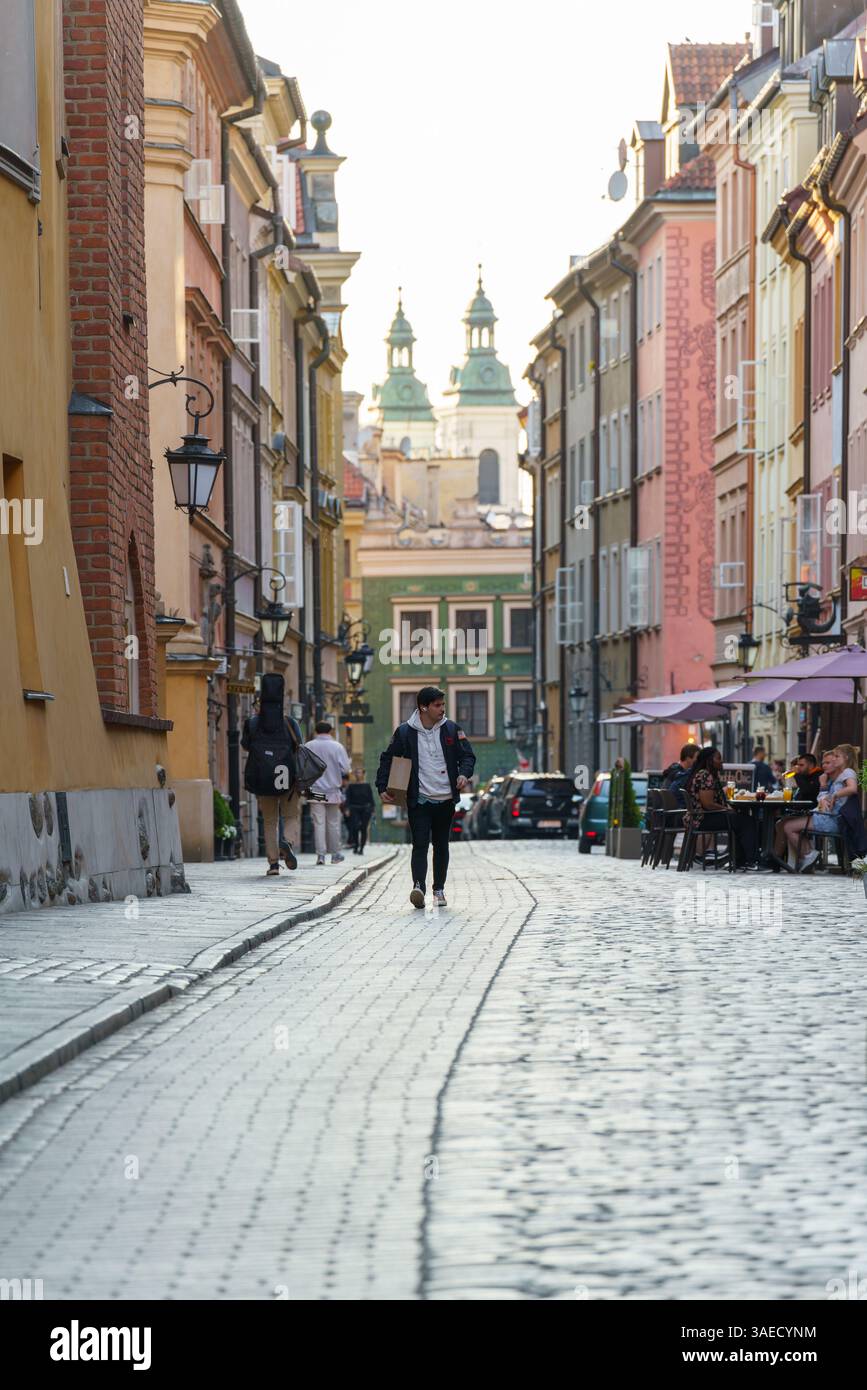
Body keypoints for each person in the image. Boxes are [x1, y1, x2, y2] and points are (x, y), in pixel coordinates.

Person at [376, 685, 475, 909]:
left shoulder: (451, 729)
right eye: (437, 705)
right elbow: (387, 758)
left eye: (442, 705)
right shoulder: (405, 732)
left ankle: (438, 890)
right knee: (419, 844)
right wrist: (382, 785)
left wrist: (463, 774)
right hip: (419, 799)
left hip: (446, 799)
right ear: (423, 707)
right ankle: (418, 886)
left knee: (441, 845)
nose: (442, 709)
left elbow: (468, 755)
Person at [240, 672, 303, 877]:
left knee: (269, 821)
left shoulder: (253, 723)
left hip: (263, 777)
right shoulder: (290, 723)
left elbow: (245, 746)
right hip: (289, 778)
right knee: (291, 815)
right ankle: (288, 842)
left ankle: (274, 864)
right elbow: (298, 745)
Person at [780, 745, 862, 872]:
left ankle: (808, 855)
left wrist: (834, 794)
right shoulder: (837, 777)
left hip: (831, 820)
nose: (833, 760)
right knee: (787, 823)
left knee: (788, 826)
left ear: (846, 758)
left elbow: (852, 788)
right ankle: (807, 855)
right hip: (829, 817)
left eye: (836, 756)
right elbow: (825, 799)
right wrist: (825, 792)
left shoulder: (847, 772)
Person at [683, 745, 758, 869]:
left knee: (740, 819)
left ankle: (739, 860)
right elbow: (708, 804)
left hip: (699, 817)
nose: (721, 761)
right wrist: (726, 809)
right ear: (709, 760)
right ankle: (750, 861)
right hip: (702, 819)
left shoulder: (704, 774)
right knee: (747, 822)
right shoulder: (705, 775)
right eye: (718, 758)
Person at [304, 721, 351, 865]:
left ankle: (321, 856)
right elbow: (345, 769)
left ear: (316, 731)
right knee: (333, 823)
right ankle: (335, 854)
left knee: (318, 823)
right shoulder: (337, 747)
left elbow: (302, 767)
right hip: (332, 791)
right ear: (330, 731)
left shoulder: (308, 746)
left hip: (315, 790)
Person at [344, 768, 375, 854]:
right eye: (357, 772)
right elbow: (348, 798)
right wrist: (347, 809)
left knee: (363, 828)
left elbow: (371, 798)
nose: (358, 774)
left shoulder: (367, 785)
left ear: (363, 774)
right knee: (355, 827)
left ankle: (361, 848)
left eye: (360, 773)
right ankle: (356, 845)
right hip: (354, 808)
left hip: (365, 809)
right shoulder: (351, 786)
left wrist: (373, 809)